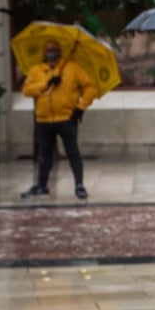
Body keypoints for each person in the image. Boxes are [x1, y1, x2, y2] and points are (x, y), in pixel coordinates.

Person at [19, 39, 97, 200]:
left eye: (54, 49)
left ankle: (79, 185)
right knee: (45, 154)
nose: (51, 52)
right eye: (48, 50)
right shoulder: (36, 70)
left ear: (60, 51)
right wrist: (46, 83)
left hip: (66, 118)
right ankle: (42, 185)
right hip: (43, 119)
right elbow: (27, 90)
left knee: (73, 152)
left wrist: (80, 107)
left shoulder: (73, 68)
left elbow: (90, 87)